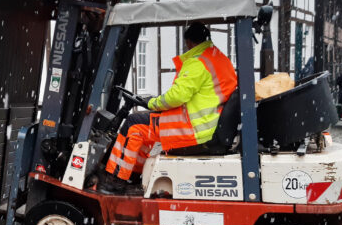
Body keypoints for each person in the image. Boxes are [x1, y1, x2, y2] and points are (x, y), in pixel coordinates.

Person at [99, 23, 238, 195]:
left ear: (189, 42)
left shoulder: (198, 62)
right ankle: (135, 176)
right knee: (146, 128)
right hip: (209, 124)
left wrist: (151, 103)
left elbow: (176, 97)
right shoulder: (219, 59)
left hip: (194, 128)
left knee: (134, 124)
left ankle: (114, 180)